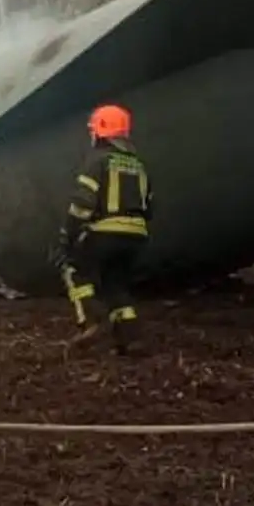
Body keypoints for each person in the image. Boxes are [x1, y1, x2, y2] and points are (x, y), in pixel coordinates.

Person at [55, 104, 151, 353]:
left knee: (74, 270)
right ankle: (131, 339)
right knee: (116, 285)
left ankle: (91, 321)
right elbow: (148, 204)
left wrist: (68, 236)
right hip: (136, 237)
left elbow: (82, 203)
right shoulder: (138, 164)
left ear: (99, 131)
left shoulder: (97, 161)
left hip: (105, 232)